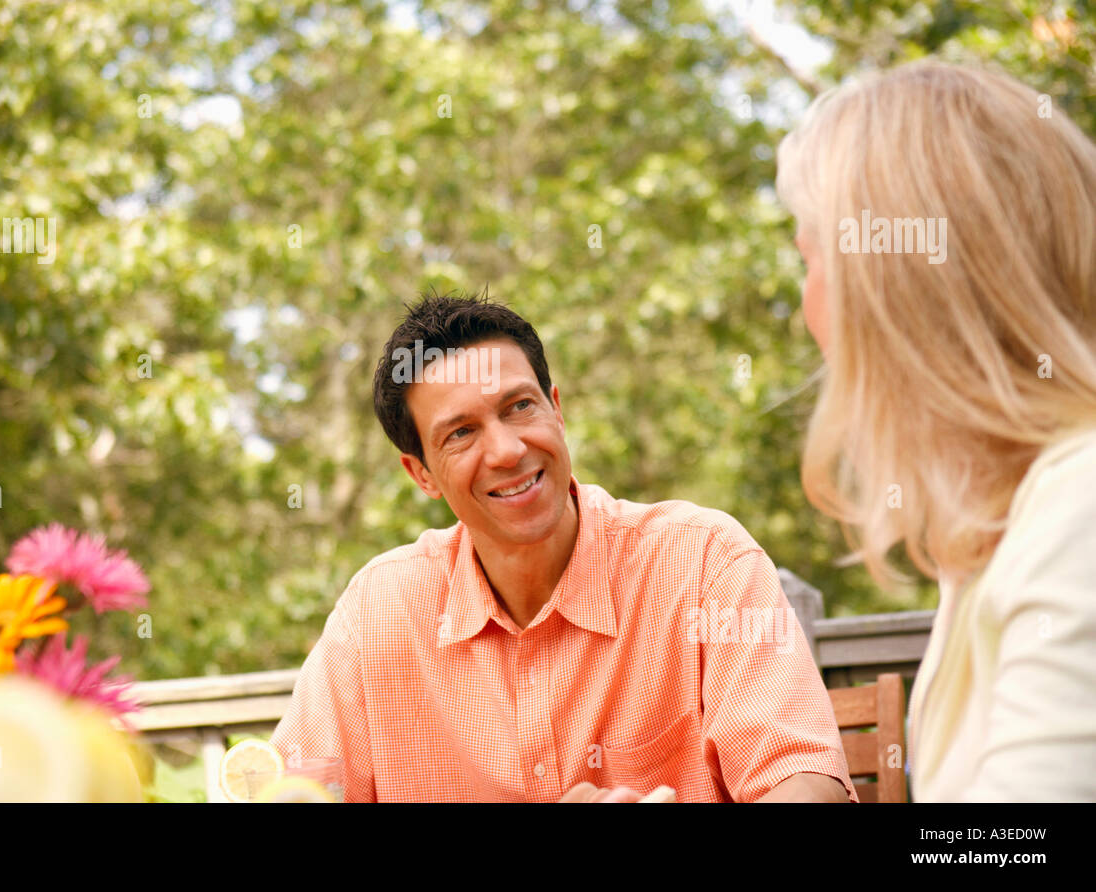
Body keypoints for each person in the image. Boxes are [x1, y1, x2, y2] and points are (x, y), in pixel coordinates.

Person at [272, 294, 854, 802]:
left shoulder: (704, 562)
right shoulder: (378, 612)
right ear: (421, 474)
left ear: (556, 406)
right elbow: (293, 790)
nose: (505, 450)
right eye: (461, 433)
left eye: (518, 407)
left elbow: (804, 781)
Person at [775, 59, 1096, 801]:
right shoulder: (1003, 527)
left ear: (895, 294)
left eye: (809, 262)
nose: (807, 307)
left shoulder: (1077, 511)